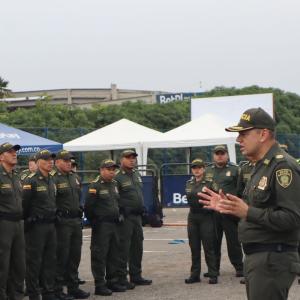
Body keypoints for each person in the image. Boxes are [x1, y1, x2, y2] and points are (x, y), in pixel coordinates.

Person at [199, 107, 300, 300]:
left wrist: (247, 212)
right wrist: (229, 207)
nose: (239, 140)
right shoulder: (259, 166)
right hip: (259, 258)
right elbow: (254, 209)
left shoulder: (282, 167)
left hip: (272, 259)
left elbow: (292, 218)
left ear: (263, 134)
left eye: (244, 134)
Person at [51, 150, 90, 300]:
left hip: (75, 221)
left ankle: (73, 287)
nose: (69, 163)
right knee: (61, 256)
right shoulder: (53, 178)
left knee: (75, 256)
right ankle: (57, 289)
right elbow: (50, 200)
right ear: (58, 162)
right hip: (62, 223)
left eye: (70, 161)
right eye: (66, 160)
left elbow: (78, 197)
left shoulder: (74, 177)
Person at [85, 159, 126, 296]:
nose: (112, 172)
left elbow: (117, 202)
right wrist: (95, 222)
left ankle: (112, 281)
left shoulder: (114, 184)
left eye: (113, 169)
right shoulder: (95, 185)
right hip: (101, 225)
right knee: (99, 255)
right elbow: (88, 207)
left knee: (113, 254)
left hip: (114, 224)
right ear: (101, 170)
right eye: (109, 169)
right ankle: (99, 284)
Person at [23, 149, 58, 300]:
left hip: (51, 225)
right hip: (36, 227)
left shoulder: (51, 179)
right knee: (34, 262)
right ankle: (33, 293)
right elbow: (24, 205)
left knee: (50, 260)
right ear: (38, 162)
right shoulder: (31, 181)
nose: (50, 161)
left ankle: (48, 292)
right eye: (46, 159)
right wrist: (29, 222)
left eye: (51, 159)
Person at [204, 145, 244, 277]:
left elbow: (241, 189)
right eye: (217, 153)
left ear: (227, 155)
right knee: (213, 241)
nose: (219, 156)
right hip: (213, 212)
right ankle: (214, 269)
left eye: (222, 153)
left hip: (229, 210)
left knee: (233, 241)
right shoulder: (207, 170)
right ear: (213, 155)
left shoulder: (235, 170)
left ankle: (239, 267)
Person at [115, 149, 152, 287]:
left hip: (137, 217)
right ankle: (121, 278)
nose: (132, 160)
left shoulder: (136, 174)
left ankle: (136, 275)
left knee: (137, 246)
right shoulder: (117, 176)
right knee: (123, 248)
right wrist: (121, 209)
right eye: (128, 157)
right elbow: (114, 197)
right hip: (125, 217)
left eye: (133, 157)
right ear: (121, 159)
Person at [185, 158, 218, 285]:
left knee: (208, 247)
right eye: (194, 168)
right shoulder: (189, 183)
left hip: (206, 216)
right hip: (193, 217)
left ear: (204, 169)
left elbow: (217, 197)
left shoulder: (210, 183)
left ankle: (213, 274)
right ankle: (195, 274)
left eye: (199, 167)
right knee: (194, 247)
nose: (196, 170)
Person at [0, 143, 25, 300]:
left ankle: (16, 295)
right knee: (2, 263)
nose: (14, 154)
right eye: (10, 152)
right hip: (3, 224)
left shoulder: (17, 176)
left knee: (19, 262)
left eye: (15, 151)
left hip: (18, 223)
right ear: (1, 156)